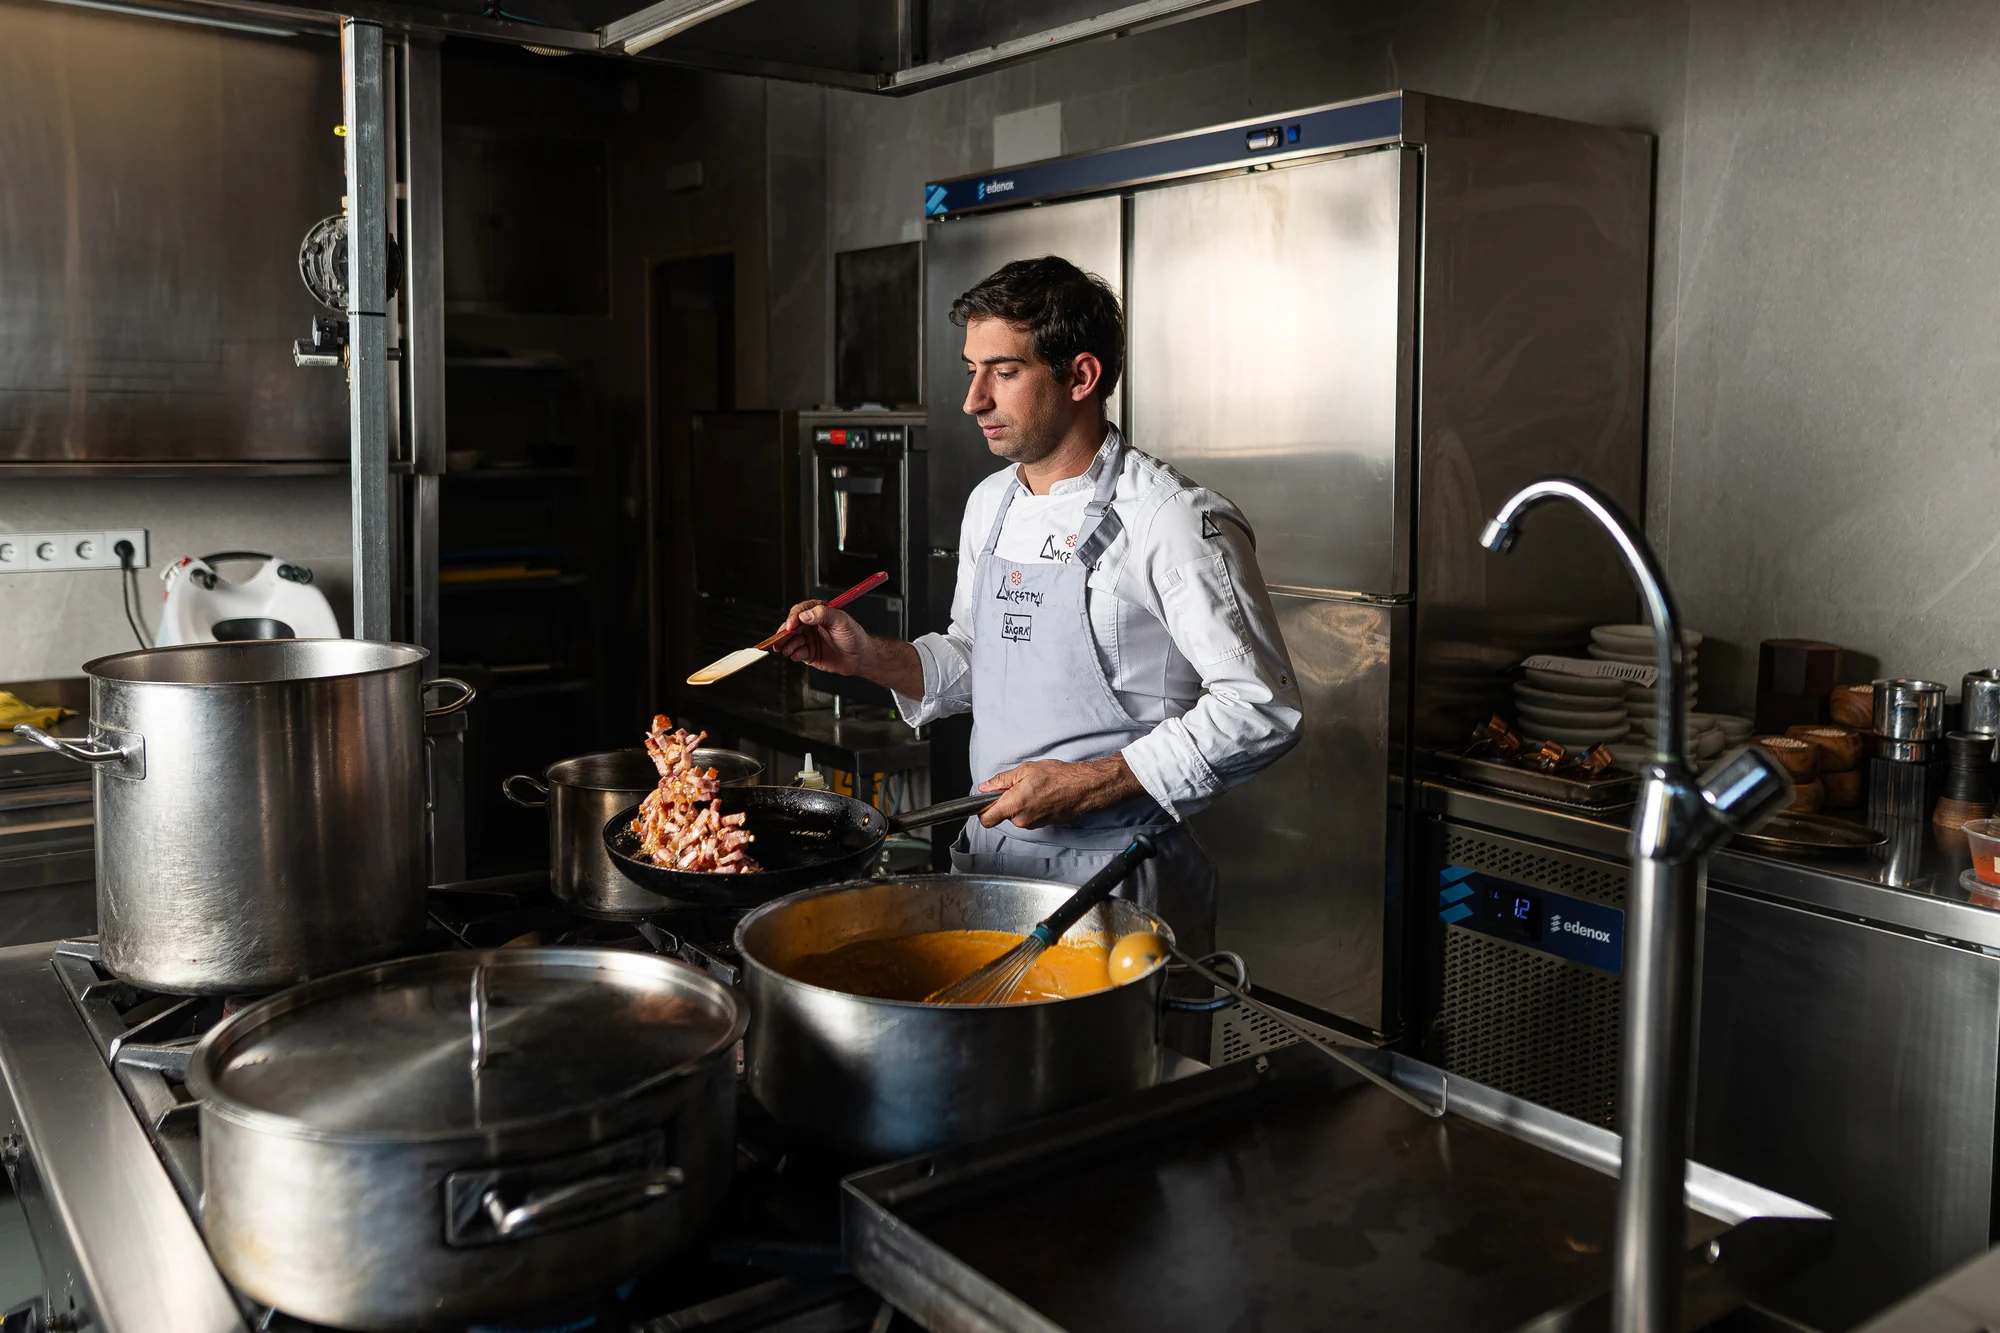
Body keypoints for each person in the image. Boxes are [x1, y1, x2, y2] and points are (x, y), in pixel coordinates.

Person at [774, 256, 1301, 1038]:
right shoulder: (991, 504)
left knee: (1110, 1121)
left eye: (1003, 371)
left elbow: (1261, 708)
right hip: (992, 871)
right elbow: (976, 657)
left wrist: (1092, 782)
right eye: (971, 370)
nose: (972, 400)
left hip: (1119, 889)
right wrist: (868, 657)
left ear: (1080, 375)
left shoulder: (1175, 522)